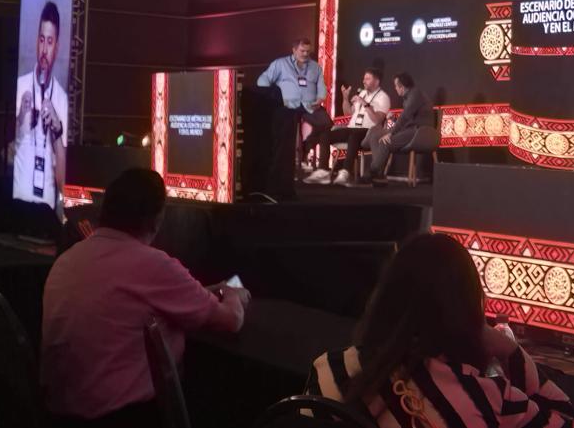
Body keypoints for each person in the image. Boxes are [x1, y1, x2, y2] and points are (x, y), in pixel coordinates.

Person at [41, 169, 250, 427]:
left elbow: (126, 299)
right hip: (125, 418)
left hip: (57, 416)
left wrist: (203, 292)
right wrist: (233, 293)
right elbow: (231, 320)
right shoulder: (153, 264)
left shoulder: (66, 260)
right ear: (156, 220)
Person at [304, 233, 574, 428]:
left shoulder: (329, 369)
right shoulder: (487, 396)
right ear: (467, 311)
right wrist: (511, 350)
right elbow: (567, 421)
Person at [13, 0, 68, 209]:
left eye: (50, 42)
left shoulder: (61, 98)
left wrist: (57, 130)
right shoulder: (20, 85)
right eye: (42, 40)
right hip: (18, 198)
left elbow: (62, 178)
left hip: (46, 205)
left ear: (57, 47)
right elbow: (3, 153)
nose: (44, 49)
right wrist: (20, 119)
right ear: (37, 41)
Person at [308, 68, 391, 186]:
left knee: (354, 135)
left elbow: (377, 120)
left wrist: (365, 104)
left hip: (368, 131)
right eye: (364, 78)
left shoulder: (383, 97)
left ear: (376, 81)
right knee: (325, 134)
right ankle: (323, 171)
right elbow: (348, 113)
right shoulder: (362, 93)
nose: (364, 81)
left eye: (368, 79)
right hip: (351, 128)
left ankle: (345, 172)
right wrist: (345, 98)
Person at [257, 38, 331, 167]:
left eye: (308, 51)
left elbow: (322, 87)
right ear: (294, 50)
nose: (305, 54)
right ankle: (288, 162)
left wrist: (320, 98)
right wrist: (272, 96)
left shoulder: (316, 67)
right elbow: (262, 80)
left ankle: (318, 162)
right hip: (288, 105)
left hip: (310, 106)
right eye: (302, 51)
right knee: (286, 123)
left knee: (326, 123)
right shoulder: (281, 64)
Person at [366, 73, 433, 183]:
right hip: (412, 129)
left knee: (385, 142)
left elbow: (405, 116)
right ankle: (378, 173)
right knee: (376, 136)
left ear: (402, 87)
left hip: (419, 131)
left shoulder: (415, 94)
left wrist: (391, 133)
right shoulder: (409, 97)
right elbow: (408, 119)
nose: (395, 88)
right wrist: (394, 120)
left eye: (396, 86)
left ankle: (373, 173)